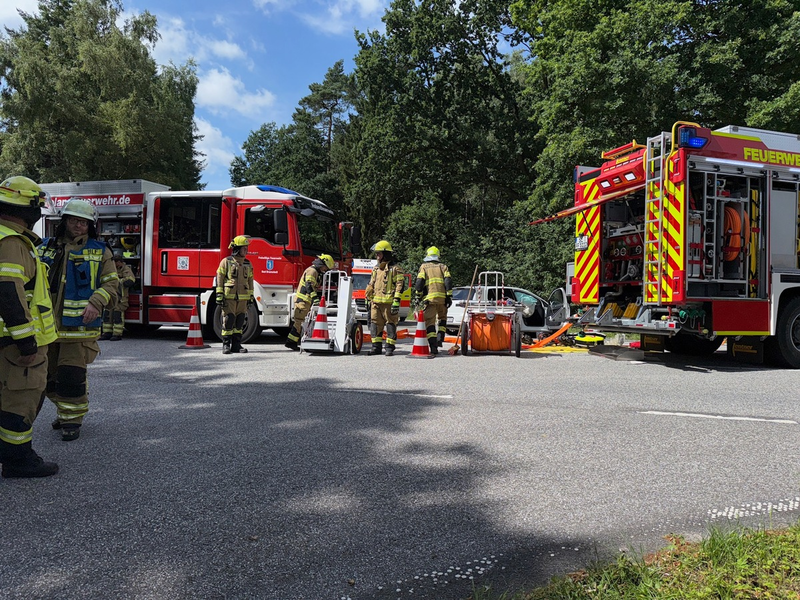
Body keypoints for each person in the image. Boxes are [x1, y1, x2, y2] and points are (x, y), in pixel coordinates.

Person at [38, 198, 118, 441]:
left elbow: (112, 284)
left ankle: (72, 420)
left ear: (90, 226)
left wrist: (96, 302)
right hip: (46, 327)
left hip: (78, 329)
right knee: (45, 377)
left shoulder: (100, 251)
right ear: (65, 221)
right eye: (74, 220)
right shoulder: (44, 247)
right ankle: (64, 411)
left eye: (83, 222)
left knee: (71, 375)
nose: (78, 225)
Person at [0, 176, 59, 477]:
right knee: (20, 401)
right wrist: (26, 342)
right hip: (14, 344)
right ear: (30, 209)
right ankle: (17, 460)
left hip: (6, 340)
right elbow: (9, 293)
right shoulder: (11, 242)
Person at [285, 254, 334, 351]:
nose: (325, 270)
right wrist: (315, 298)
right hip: (303, 301)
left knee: (301, 322)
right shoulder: (312, 271)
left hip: (306, 301)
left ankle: (292, 341)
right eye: (326, 268)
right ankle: (291, 342)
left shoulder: (316, 271)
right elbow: (309, 286)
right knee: (299, 322)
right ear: (322, 264)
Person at [364, 240, 405, 356]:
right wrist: (368, 298)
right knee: (375, 324)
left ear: (385, 254)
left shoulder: (396, 269)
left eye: (379, 254)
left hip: (389, 303)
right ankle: (376, 347)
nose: (377, 256)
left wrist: (396, 301)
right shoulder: (376, 269)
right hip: (376, 303)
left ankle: (389, 348)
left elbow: (400, 285)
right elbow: (371, 284)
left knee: (391, 324)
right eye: (376, 254)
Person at [215, 235, 254, 354]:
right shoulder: (226, 262)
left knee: (240, 321)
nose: (246, 251)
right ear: (237, 248)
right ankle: (226, 345)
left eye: (246, 249)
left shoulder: (248, 264)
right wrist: (219, 294)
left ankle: (236, 345)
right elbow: (220, 278)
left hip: (243, 299)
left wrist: (251, 296)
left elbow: (250, 281)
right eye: (244, 248)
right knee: (229, 320)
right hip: (229, 297)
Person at [413, 246, 453, 356]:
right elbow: (448, 282)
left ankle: (433, 346)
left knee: (429, 322)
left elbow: (419, 283)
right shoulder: (443, 267)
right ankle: (440, 338)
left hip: (430, 299)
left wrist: (418, 296)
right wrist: (449, 296)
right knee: (442, 319)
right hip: (442, 300)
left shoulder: (424, 267)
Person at [99, 250, 136, 341]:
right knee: (107, 314)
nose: (114, 264)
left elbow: (130, 280)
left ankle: (117, 334)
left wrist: (118, 281)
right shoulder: (111, 269)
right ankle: (107, 333)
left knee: (117, 315)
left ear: (119, 262)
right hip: (110, 296)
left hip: (121, 298)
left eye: (115, 262)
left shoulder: (125, 269)